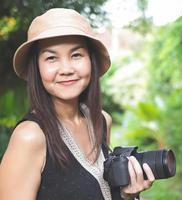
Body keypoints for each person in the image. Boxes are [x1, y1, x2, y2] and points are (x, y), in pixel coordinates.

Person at [0, 8, 155, 200]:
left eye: (76, 55)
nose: (66, 69)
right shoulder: (30, 137)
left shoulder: (101, 121)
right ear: (36, 68)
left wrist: (126, 195)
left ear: (91, 60)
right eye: (51, 58)